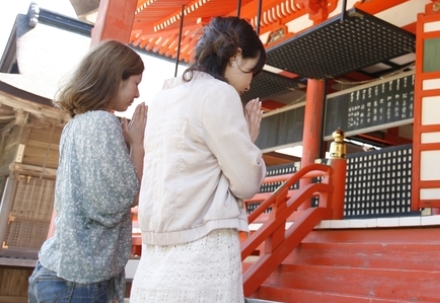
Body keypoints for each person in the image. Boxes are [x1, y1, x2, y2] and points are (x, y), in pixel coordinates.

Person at [130, 16, 267, 303]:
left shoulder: (164, 98)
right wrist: (248, 138)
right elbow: (244, 182)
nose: (250, 83)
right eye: (251, 71)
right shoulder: (220, 94)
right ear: (235, 56)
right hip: (200, 258)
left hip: (155, 261)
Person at [28, 40, 147, 303]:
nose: (137, 93)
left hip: (56, 270)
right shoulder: (103, 122)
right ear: (116, 79)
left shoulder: (76, 124)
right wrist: (137, 145)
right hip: (78, 281)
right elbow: (127, 195)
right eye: (135, 83)